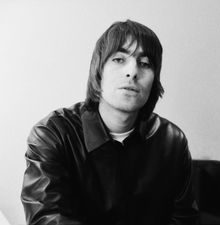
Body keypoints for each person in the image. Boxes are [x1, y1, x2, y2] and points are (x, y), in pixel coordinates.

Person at [21, 19, 199, 225]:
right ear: (99, 70)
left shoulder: (172, 141)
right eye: (119, 59)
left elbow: (185, 218)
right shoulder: (53, 134)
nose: (132, 72)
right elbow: (46, 218)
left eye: (145, 63)